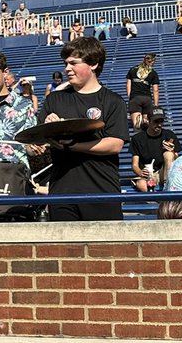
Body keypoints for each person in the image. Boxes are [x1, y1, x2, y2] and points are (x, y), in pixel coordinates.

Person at [38, 37, 129, 222]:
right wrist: (48, 129)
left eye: (74, 63)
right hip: (61, 191)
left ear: (93, 64)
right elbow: (37, 144)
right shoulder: (54, 100)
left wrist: (73, 146)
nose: (67, 68)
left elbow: (115, 144)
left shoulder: (113, 101)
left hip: (102, 190)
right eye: (66, 63)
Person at [129, 108, 180, 192]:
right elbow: (134, 165)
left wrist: (172, 152)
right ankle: (157, 198)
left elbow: (177, 161)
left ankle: (167, 187)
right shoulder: (138, 138)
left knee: (168, 154)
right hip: (148, 174)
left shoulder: (169, 135)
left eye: (161, 121)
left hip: (165, 172)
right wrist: (140, 172)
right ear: (148, 121)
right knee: (141, 184)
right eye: (156, 121)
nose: (159, 124)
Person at [125, 53, 160, 130]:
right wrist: (156, 105)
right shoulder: (153, 73)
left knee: (136, 126)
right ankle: (145, 121)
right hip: (147, 98)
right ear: (153, 61)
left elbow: (128, 85)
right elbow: (156, 90)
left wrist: (130, 97)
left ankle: (138, 123)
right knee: (148, 126)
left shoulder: (132, 70)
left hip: (135, 97)